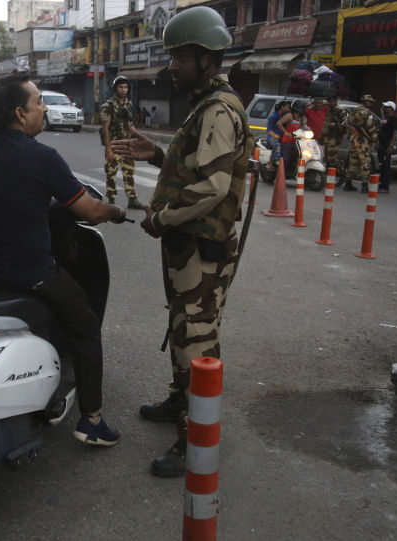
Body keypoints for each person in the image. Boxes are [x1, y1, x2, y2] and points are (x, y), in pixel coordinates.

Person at [109, 6, 254, 478]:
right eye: (172, 57)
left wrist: (162, 218)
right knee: (182, 328)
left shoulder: (216, 108)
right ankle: (180, 402)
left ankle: (195, 439)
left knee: (197, 341)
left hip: (200, 247)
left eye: (180, 58)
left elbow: (212, 187)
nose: (172, 66)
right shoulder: (206, 102)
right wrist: (158, 153)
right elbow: (198, 165)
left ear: (207, 58)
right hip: (189, 246)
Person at [0, 72, 127, 447]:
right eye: (39, 103)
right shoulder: (43, 156)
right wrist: (115, 211)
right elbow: (89, 212)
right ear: (20, 113)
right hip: (31, 275)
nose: (45, 109)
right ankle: (92, 421)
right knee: (85, 325)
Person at [101, 75, 145, 209]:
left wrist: (136, 139)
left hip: (127, 145)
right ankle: (111, 200)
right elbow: (105, 128)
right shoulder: (107, 105)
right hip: (114, 145)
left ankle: (132, 199)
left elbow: (131, 124)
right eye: (120, 87)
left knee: (129, 172)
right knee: (111, 173)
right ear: (116, 88)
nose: (123, 89)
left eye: (125, 87)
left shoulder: (129, 104)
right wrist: (108, 149)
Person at [344, 94, 379, 192]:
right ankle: (364, 186)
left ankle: (348, 183)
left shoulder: (353, 112)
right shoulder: (367, 112)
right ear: (365, 102)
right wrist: (375, 139)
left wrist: (349, 136)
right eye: (370, 102)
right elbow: (371, 127)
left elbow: (348, 126)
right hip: (363, 141)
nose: (371, 104)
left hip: (353, 140)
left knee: (353, 161)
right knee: (365, 162)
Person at [319, 93, 348, 185]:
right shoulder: (329, 111)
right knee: (327, 160)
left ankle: (343, 173)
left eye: (331, 101)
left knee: (332, 159)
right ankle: (329, 178)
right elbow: (325, 125)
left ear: (335, 101)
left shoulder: (341, 111)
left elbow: (345, 126)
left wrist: (334, 125)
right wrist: (322, 136)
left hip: (335, 138)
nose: (330, 103)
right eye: (329, 101)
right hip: (328, 137)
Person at [376, 101, 397, 193]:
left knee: (386, 167)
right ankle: (381, 184)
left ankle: (385, 187)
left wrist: (391, 145)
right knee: (382, 166)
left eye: (386, 107)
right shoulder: (385, 119)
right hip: (381, 146)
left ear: (391, 108)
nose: (384, 108)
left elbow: (395, 132)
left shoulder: (393, 118)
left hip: (387, 146)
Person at [279, 103, 304, 177]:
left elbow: (302, 127)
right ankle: (281, 174)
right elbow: (279, 123)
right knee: (286, 159)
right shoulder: (290, 116)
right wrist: (285, 132)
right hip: (287, 141)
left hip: (297, 141)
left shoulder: (301, 118)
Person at [266, 101, 291, 167]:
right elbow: (269, 130)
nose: (289, 109)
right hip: (272, 137)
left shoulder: (285, 116)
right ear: (282, 107)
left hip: (281, 137)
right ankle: (271, 163)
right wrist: (276, 137)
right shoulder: (273, 116)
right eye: (288, 107)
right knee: (277, 144)